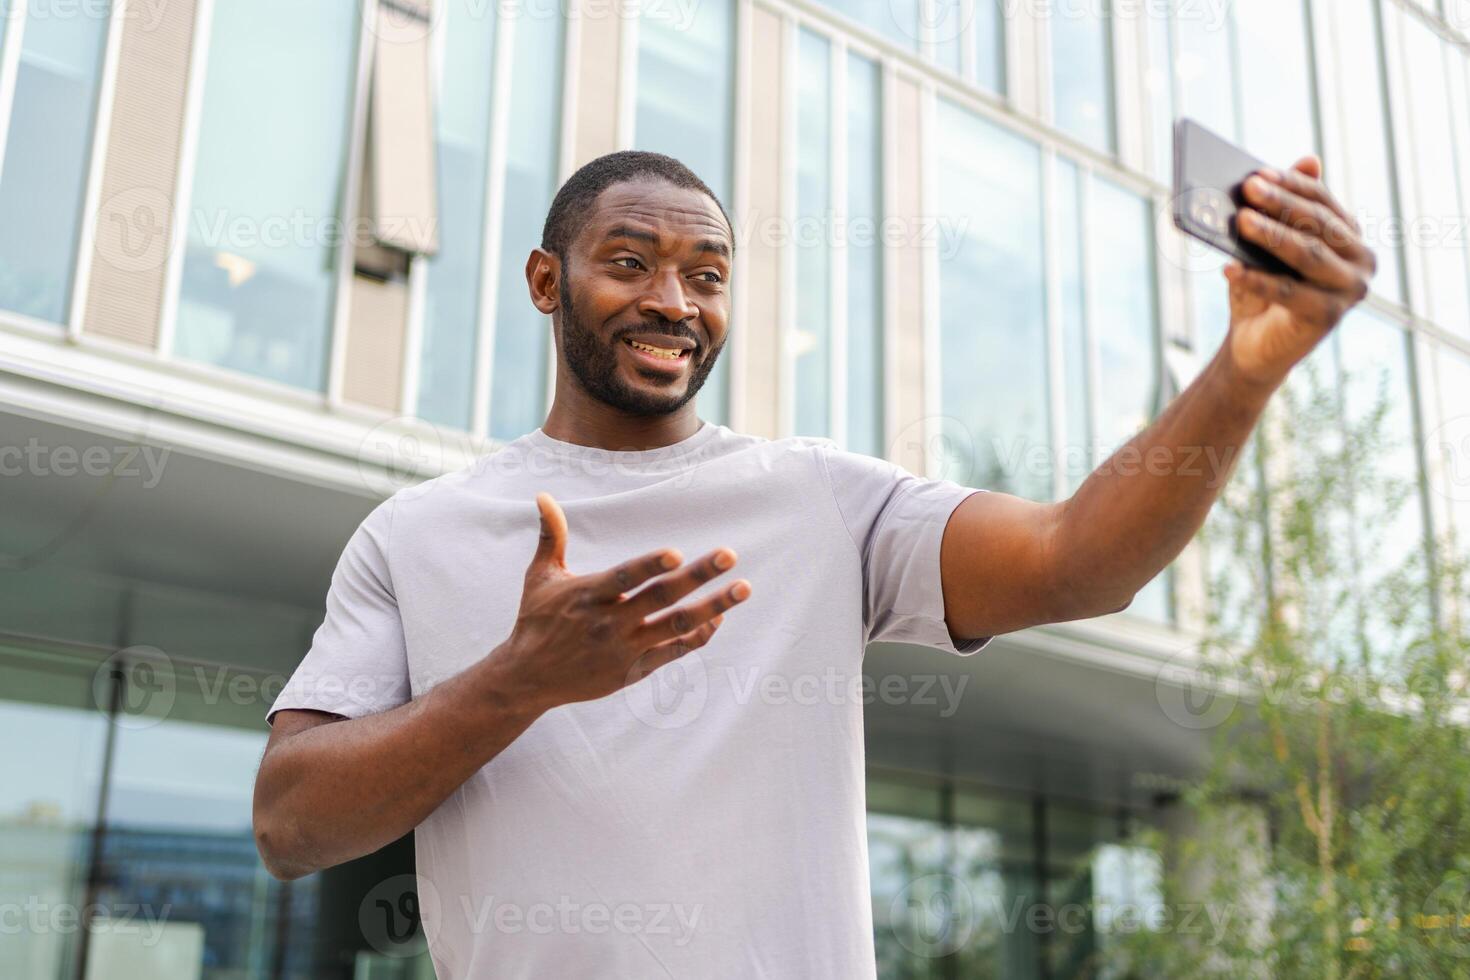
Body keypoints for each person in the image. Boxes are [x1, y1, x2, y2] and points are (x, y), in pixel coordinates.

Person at [252, 150, 1375, 976]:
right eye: (630, 262)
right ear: (548, 282)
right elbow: (292, 824)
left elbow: (1076, 562)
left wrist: (1247, 367)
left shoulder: (823, 498)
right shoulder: (418, 530)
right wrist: (521, 679)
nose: (673, 302)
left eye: (708, 272)